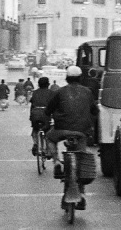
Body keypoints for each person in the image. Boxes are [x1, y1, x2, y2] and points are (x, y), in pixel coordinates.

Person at [44, 66, 97, 210]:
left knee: (49, 138)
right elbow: (95, 111)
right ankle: (82, 193)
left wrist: (48, 119)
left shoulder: (60, 92)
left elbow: (48, 110)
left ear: (67, 78)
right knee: (81, 158)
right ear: (80, 78)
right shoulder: (88, 92)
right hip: (81, 132)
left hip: (61, 129)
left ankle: (56, 162)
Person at [30, 77, 55, 155]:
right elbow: (54, 106)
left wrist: (31, 117)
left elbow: (32, 105)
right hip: (46, 114)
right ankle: (48, 150)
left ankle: (35, 144)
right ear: (48, 84)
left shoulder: (35, 93)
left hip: (35, 114)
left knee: (35, 130)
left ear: (38, 84)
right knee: (49, 131)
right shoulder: (51, 93)